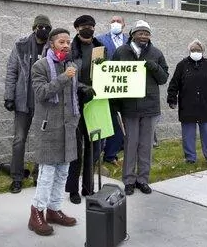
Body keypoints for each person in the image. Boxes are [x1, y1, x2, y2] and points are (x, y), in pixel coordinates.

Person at [27, 28, 94, 236]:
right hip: (49, 128)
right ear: (52, 44)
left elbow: (72, 87)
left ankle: (54, 209)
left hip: (68, 127)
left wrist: (82, 87)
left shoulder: (70, 65)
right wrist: (65, 77)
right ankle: (36, 213)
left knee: (63, 172)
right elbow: (41, 93)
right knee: (47, 174)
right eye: (61, 42)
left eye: (67, 42)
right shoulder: (40, 66)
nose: (66, 45)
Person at [112, 20, 169, 196]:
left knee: (146, 146)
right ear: (132, 34)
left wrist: (154, 67)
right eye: (140, 33)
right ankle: (129, 180)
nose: (143, 36)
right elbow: (113, 75)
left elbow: (163, 78)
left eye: (147, 33)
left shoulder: (156, 53)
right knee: (130, 144)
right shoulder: (121, 52)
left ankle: (143, 180)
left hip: (150, 106)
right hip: (129, 107)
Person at [4, 15, 52, 193]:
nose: (44, 30)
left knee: (42, 141)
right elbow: (12, 71)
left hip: (44, 103)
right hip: (23, 102)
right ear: (34, 27)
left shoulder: (52, 47)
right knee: (19, 140)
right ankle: (17, 178)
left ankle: (38, 174)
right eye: (41, 26)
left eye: (47, 27)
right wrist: (9, 96)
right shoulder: (21, 45)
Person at [167, 39, 207, 166]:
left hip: (205, 106)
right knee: (188, 135)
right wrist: (172, 98)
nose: (195, 52)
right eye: (193, 50)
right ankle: (190, 158)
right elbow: (174, 84)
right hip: (187, 106)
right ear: (189, 51)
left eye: (198, 50)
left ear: (203, 51)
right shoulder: (181, 65)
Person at [65, 15, 104, 204]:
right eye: (84, 26)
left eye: (91, 26)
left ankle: (88, 187)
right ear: (77, 28)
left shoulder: (100, 48)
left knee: (93, 146)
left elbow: (108, 73)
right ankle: (72, 188)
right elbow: (69, 74)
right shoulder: (70, 49)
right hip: (76, 101)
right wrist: (82, 88)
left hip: (96, 102)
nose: (88, 28)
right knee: (77, 148)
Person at [97, 15, 128, 165]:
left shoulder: (130, 40)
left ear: (124, 25)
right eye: (112, 21)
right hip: (106, 87)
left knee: (121, 122)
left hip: (126, 87)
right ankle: (99, 154)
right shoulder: (100, 39)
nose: (115, 23)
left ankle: (111, 154)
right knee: (107, 120)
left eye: (118, 21)